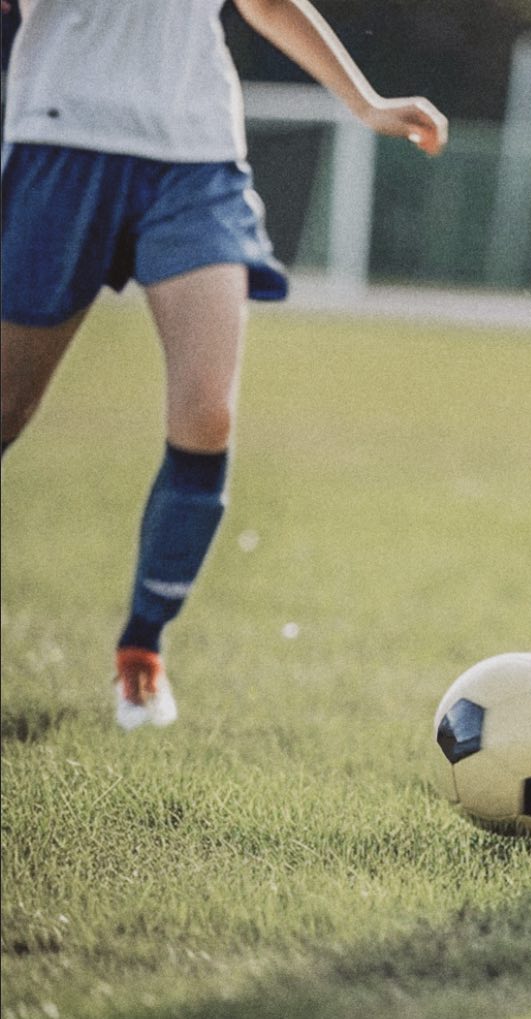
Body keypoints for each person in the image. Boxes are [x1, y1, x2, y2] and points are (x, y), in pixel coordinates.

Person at [0, 0, 447, 730]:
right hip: (61, 139)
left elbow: (265, 3)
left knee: (208, 412)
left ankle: (142, 651)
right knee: (8, 407)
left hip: (194, 154)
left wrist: (364, 103)